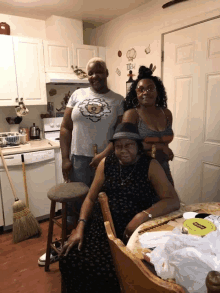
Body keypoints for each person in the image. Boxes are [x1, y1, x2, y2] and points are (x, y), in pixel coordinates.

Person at [59, 122, 180, 293]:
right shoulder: (106, 163)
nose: (123, 151)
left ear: (138, 146)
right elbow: (90, 198)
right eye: (118, 146)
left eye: (129, 145)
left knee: (107, 271)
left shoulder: (150, 165)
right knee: (68, 258)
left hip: (131, 232)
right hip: (101, 227)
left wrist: (142, 216)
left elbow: (172, 200)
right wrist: (80, 226)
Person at [38, 57, 124, 266]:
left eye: (99, 71)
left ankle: (100, 248)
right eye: (91, 73)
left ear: (107, 72)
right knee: (75, 205)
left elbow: (119, 134)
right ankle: (68, 245)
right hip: (78, 159)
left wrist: (103, 155)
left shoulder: (118, 100)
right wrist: (65, 158)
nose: (95, 76)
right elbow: (66, 127)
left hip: (106, 161)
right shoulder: (77, 95)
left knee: (103, 203)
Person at [123, 65, 175, 185]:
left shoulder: (166, 113)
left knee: (171, 201)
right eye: (141, 89)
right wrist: (161, 147)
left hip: (163, 168)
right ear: (136, 93)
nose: (146, 92)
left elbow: (165, 142)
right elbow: (126, 146)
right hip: (139, 170)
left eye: (151, 88)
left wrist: (166, 149)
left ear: (158, 92)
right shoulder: (131, 115)